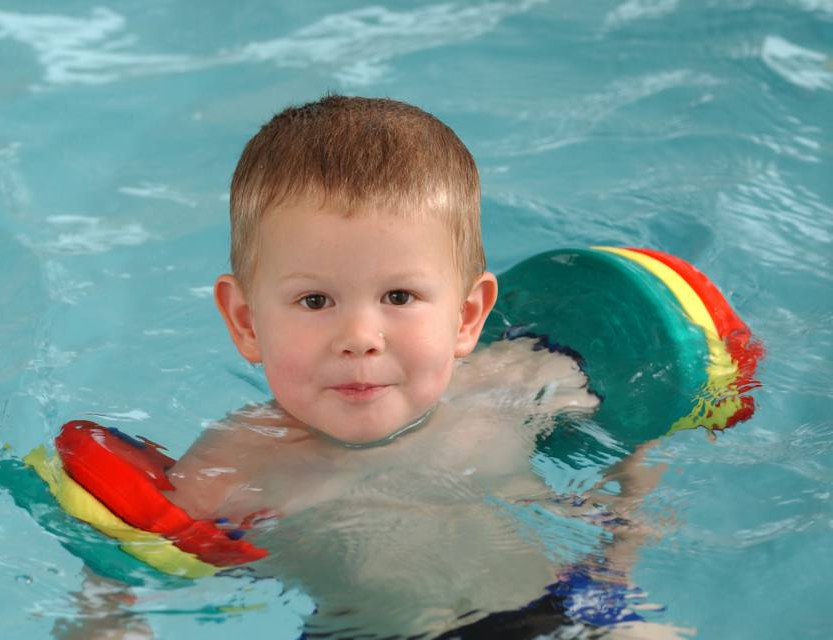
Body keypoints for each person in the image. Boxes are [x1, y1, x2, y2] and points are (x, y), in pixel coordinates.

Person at [54, 96, 673, 639]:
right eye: (315, 301)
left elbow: (638, 414)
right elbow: (127, 557)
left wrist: (625, 535)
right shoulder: (240, 463)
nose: (359, 338)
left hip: (559, 608)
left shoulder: (504, 385)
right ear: (246, 321)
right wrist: (107, 618)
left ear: (466, 317)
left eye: (399, 298)